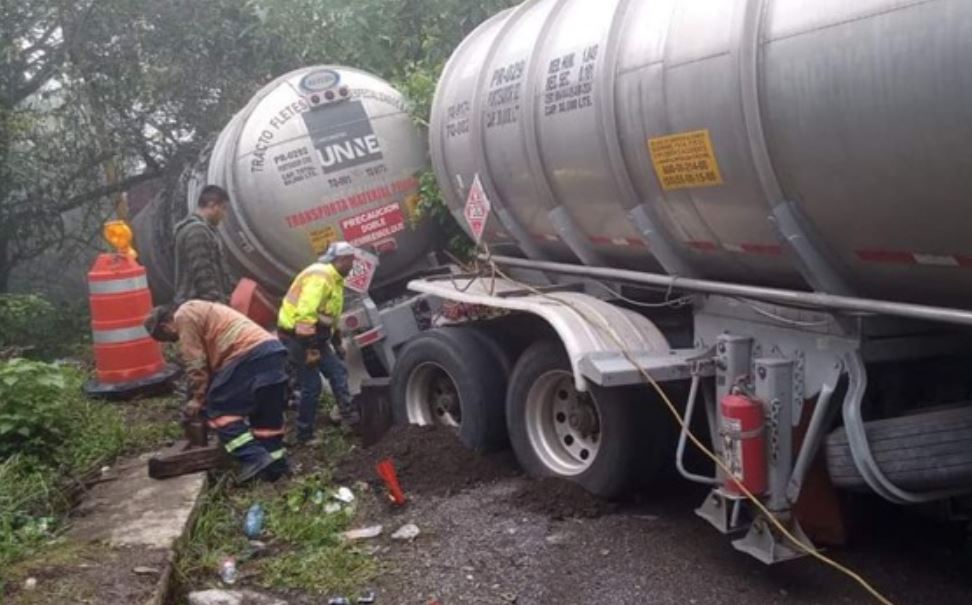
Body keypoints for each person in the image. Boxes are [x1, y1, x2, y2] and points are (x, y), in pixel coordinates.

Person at [144, 301, 289, 482]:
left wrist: (197, 399)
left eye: (166, 339)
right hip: (272, 351)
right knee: (265, 416)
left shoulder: (184, 317)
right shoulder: (201, 310)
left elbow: (196, 364)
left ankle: (253, 457)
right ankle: (276, 467)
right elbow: (210, 368)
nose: (173, 342)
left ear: (165, 326)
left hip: (248, 354)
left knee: (217, 408)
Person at [277, 241, 358, 442]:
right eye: (350, 260)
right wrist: (311, 350)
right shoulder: (320, 277)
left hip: (315, 337)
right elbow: (305, 315)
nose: (353, 265)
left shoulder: (336, 279)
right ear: (340, 260)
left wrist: (337, 341)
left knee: (338, 372)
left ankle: (348, 420)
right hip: (297, 337)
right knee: (312, 386)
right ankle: (304, 434)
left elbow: (331, 316)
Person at [173, 185, 232, 304]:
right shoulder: (197, 232)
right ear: (212, 205)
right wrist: (216, 304)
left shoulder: (202, 230)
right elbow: (202, 273)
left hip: (198, 306)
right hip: (201, 308)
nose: (224, 214)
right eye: (223, 208)